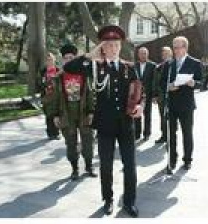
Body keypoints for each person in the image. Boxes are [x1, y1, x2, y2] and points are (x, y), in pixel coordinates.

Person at [63, 25, 142, 217]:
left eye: (116, 45)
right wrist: (90, 55)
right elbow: (68, 68)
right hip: (105, 125)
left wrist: (140, 106)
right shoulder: (94, 67)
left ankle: (130, 201)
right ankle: (108, 199)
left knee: (129, 165)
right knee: (106, 166)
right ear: (103, 48)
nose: (113, 48)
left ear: (120, 47)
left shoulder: (129, 67)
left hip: (126, 124)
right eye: (109, 45)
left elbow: (139, 92)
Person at [51, 43, 96, 180]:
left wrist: (91, 111)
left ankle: (88, 166)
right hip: (66, 114)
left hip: (83, 112)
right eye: (66, 58)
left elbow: (91, 94)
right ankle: (74, 168)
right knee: (71, 143)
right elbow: (53, 98)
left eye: (72, 57)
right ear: (63, 60)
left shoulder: (85, 74)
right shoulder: (58, 77)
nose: (69, 60)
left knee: (88, 141)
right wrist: (55, 115)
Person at [161, 36, 202, 171]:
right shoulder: (168, 64)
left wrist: (193, 83)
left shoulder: (194, 63)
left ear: (185, 48)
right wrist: (169, 86)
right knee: (170, 134)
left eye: (179, 47)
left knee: (187, 133)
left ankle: (187, 160)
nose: (176, 50)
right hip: (171, 104)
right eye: (175, 47)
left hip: (186, 105)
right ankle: (172, 159)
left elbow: (201, 83)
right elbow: (162, 83)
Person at [134, 47, 158, 141]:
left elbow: (154, 81)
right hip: (136, 94)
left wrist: (154, 95)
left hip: (148, 94)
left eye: (144, 53)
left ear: (147, 54)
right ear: (138, 55)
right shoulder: (134, 65)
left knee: (147, 114)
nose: (143, 55)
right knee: (136, 114)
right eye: (141, 53)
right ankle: (137, 134)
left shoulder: (152, 65)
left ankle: (147, 133)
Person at [153, 46, 173, 145]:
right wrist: (155, 95)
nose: (164, 55)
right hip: (161, 96)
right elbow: (156, 81)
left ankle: (171, 136)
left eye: (167, 53)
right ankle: (164, 135)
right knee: (162, 116)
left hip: (172, 96)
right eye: (163, 53)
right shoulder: (159, 66)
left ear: (171, 54)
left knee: (172, 117)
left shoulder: (175, 65)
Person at [40, 52, 61, 140]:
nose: (49, 61)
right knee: (48, 115)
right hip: (46, 96)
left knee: (56, 114)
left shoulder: (58, 70)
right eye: (48, 60)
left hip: (56, 96)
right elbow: (39, 83)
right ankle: (50, 133)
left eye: (51, 59)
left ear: (54, 60)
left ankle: (56, 132)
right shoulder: (43, 71)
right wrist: (44, 86)